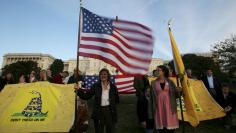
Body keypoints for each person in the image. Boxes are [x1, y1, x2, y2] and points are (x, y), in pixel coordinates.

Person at [75, 68, 119, 133]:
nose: (103, 75)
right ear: (99, 76)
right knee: (99, 130)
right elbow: (86, 96)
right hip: (99, 111)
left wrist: (112, 103)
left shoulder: (113, 87)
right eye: (101, 74)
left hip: (110, 111)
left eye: (105, 74)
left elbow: (117, 99)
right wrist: (78, 90)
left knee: (110, 130)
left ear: (108, 76)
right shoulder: (96, 86)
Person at [151, 65, 181, 133]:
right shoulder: (153, 83)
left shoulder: (170, 82)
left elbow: (176, 95)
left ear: (164, 72)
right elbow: (152, 98)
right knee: (161, 129)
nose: (157, 71)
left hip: (170, 107)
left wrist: (178, 91)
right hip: (159, 107)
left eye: (159, 70)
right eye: (156, 70)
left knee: (171, 129)